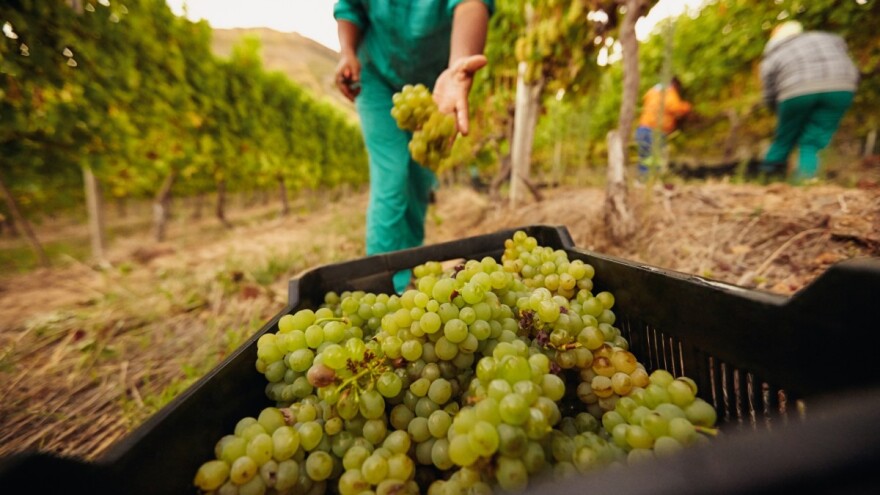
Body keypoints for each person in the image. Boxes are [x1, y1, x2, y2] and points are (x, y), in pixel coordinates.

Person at [333, 0, 492, 294]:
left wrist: (459, 66)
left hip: (437, 84)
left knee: (419, 180)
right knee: (392, 174)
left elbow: (471, 3)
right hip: (376, 76)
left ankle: (404, 273)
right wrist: (348, 53)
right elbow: (349, 8)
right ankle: (380, 287)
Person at [759, 21, 859, 183]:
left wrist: (775, 109)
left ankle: (769, 178)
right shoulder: (825, 39)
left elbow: (769, 89)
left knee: (784, 137)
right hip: (841, 86)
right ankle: (806, 180)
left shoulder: (776, 51)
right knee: (813, 141)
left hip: (796, 90)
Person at [634, 76, 692, 177]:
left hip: (643, 129)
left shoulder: (652, 92)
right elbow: (675, 107)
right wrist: (687, 107)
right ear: (675, 85)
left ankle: (644, 180)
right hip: (655, 131)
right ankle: (651, 180)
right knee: (655, 159)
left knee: (645, 158)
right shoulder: (669, 93)